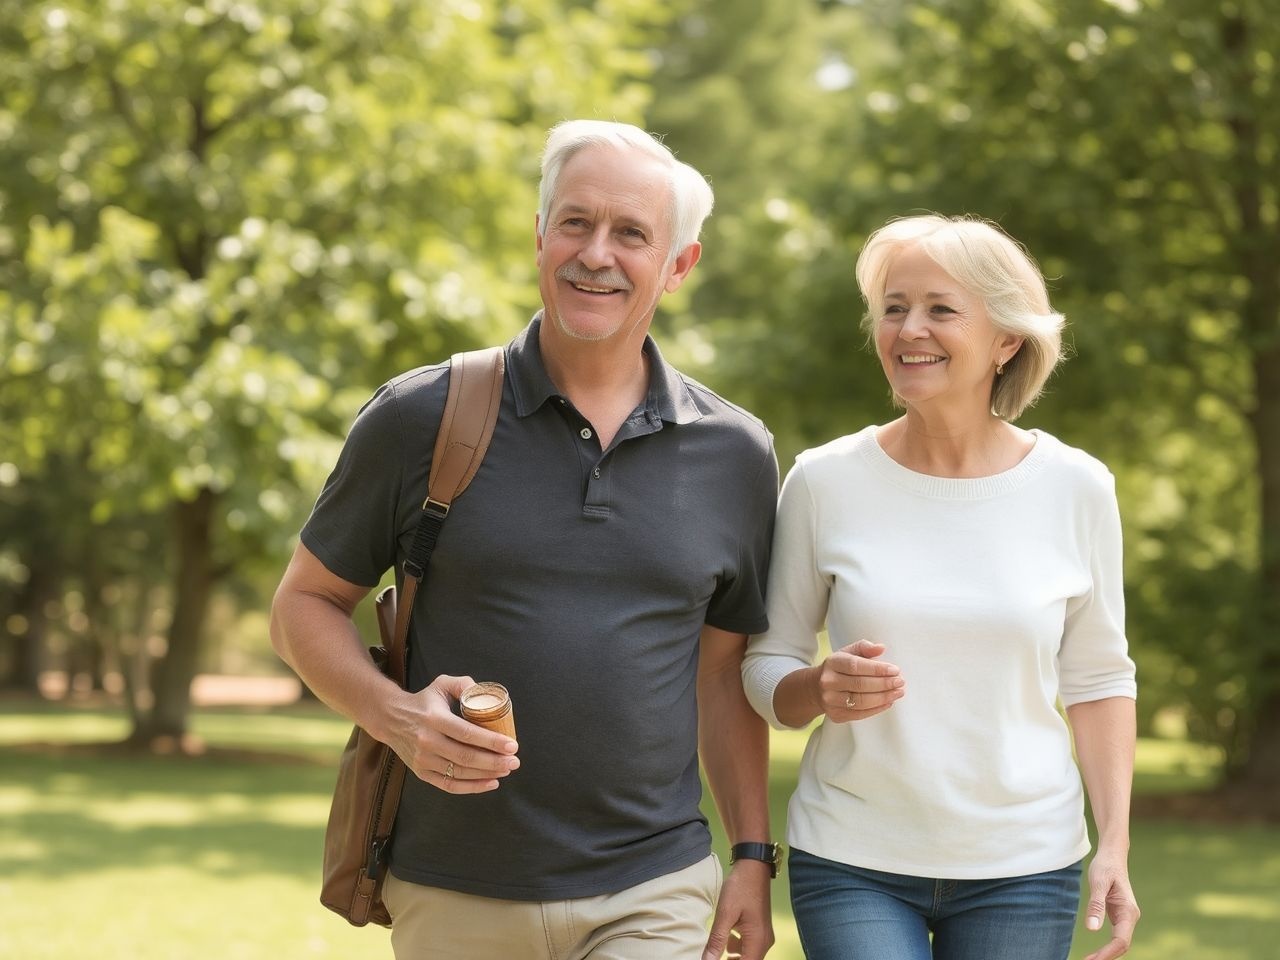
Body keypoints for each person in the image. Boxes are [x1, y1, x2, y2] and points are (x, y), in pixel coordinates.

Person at [270, 120, 780, 960]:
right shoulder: (420, 417)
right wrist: (396, 717)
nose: (596, 254)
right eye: (575, 222)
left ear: (679, 266)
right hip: (452, 885)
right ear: (539, 235)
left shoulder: (736, 453)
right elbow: (304, 604)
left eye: (631, 234)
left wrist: (753, 858)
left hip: (653, 884)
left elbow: (720, 677)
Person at [741, 214, 1140, 960]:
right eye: (894, 307)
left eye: (940, 309)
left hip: (1024, 863)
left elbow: (1100, 677)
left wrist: (1112, 843)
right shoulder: (824, 480)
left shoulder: (1077, 487)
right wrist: (816, 687)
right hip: (854, 855)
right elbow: (766, 666)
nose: (907, 328)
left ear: (1007, 340)